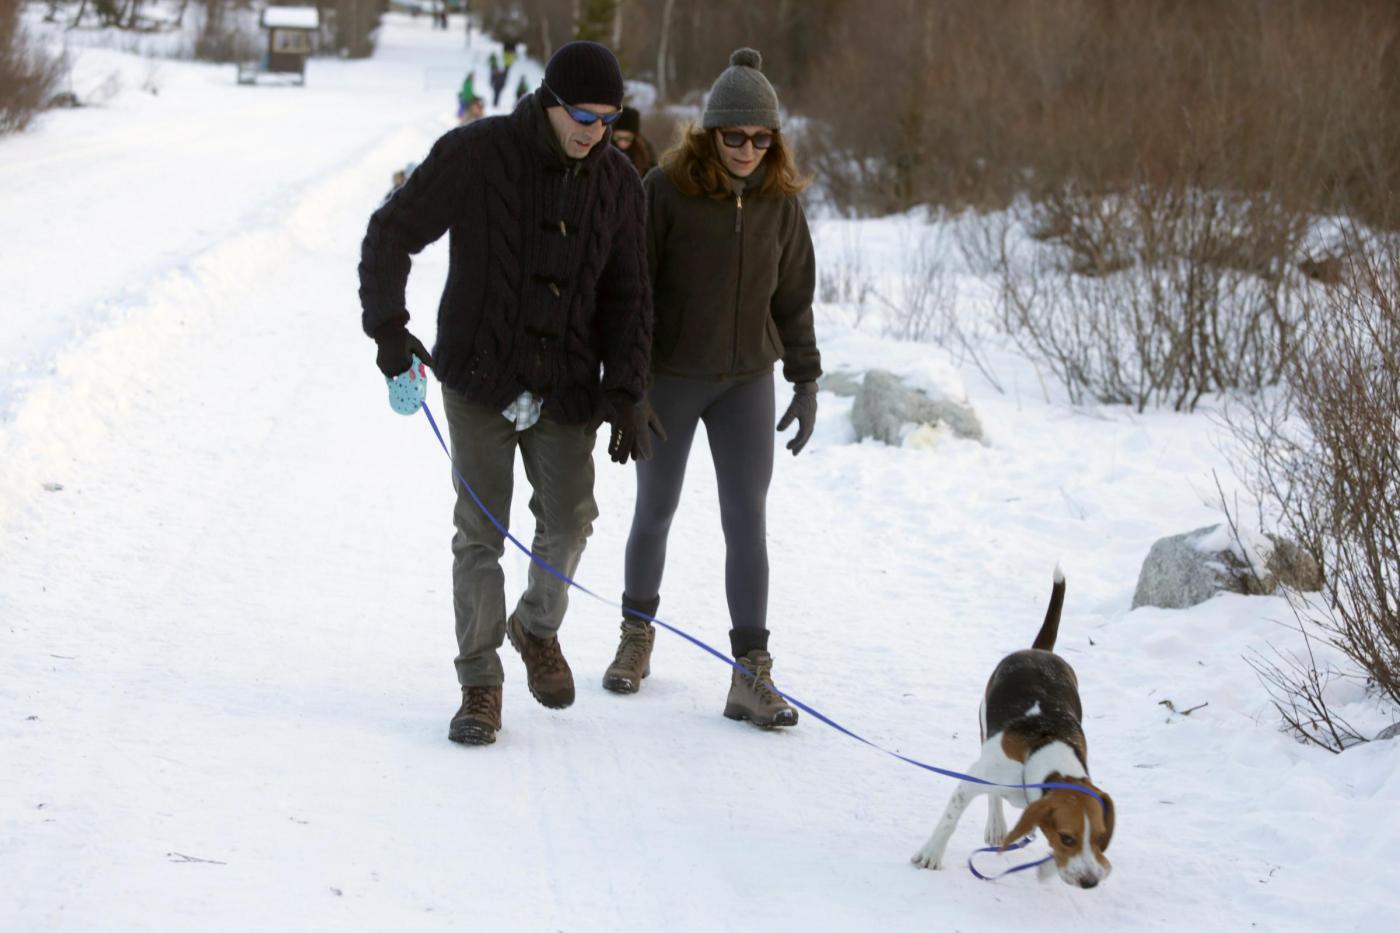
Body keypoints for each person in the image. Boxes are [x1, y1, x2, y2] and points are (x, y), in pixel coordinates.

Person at [358, 40, 662, 747]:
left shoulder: (618, 183)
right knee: (480, 531)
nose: (594, 131)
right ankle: (480, 682)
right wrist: (388, 329)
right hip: (479, 375)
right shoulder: (478, 152)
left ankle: (535, 625)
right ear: (550, 102)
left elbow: (631, 297)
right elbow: (391, 231)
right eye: (582, 115)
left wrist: (626, 389)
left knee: (572, 516)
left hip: (565, 387)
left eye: (608, 119)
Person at [604, 49, 821, 729]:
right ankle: (636, 635)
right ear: (708, 133)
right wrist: (629, 386)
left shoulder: (780, 204)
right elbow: (630, 294)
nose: (750, 150)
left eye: (763, 139)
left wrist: (806, 377)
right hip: (669, 379)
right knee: (656, 509)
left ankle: (749, 671)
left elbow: (794, 298)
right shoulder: (663, 193)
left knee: (746, 518)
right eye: (737, 137)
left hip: (746, 382)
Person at [610, 106, 655, 177]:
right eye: (618, 138)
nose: (622, 142)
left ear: (635, 137)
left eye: (627, 138)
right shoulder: (604, 149)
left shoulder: (645, 153)